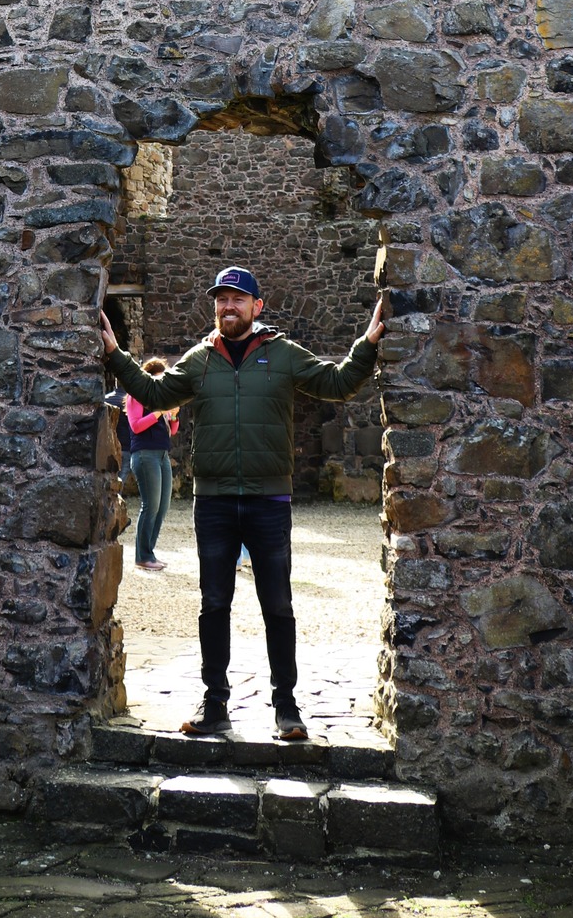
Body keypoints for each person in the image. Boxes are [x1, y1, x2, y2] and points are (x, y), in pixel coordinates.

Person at [100, 265, 383, 743]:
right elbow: (151, 392)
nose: (228, 306)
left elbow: (337, 384)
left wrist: (369, 343)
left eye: (237, 299)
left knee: (278, 605)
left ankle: (286, 708)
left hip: (268, 501)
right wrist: (114, 352)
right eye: (221, 299)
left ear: (257, 306)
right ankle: (215, 706)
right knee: (214, 605)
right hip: (213, 503)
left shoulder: (282, 354)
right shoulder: (200, 360)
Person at [124, 358, 178, 572]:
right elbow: (136, 426)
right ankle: (143, 556)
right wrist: (158, 412)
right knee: (151, 506)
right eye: (160, 380)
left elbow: (172, 431)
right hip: (145, 454)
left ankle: (149, 553)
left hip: (162, 454)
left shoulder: (160, 400)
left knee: (163, 507)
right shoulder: (136, 396)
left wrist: (173, 416)